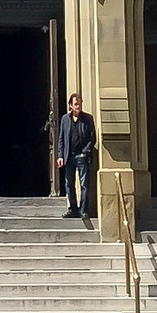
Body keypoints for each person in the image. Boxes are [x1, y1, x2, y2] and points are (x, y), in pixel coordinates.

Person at [55, 91, 97, 222]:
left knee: (84, 184)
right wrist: (60, 155)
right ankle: (72, 209)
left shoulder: (88, 119)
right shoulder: (65, 119)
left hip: (82, 156)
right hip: (69, 157)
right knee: (69, 184)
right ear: (70, 105)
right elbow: (61, 139)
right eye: (76, 104)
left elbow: (92, 138)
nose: (78, 106)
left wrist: (85, 151)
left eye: (79, 104)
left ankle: (83, 210)